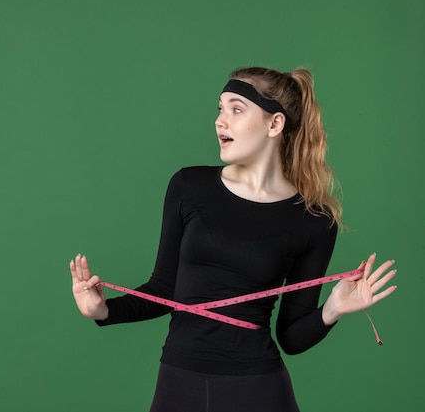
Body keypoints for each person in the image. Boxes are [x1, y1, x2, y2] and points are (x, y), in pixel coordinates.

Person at [69, 66, 397, 412]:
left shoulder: (314, 221)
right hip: (180, 382)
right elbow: (164, 290)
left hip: (259, 387)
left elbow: (291, 338)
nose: (220, 120)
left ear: (275, 124)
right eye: (220, 108)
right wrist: (103, 310)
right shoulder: (188, 187)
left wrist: (333, 309)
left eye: (236, 109)